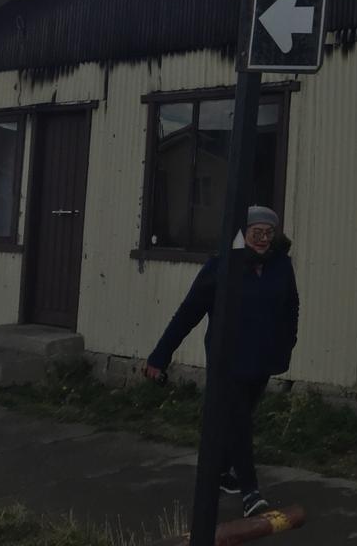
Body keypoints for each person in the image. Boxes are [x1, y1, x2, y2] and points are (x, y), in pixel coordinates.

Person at [144, 205, 300, 518]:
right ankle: (250, 491)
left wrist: (287, 343)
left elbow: (291, 307)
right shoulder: (222, 266)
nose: (263, 239)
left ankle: (225, 473)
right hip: (227, 358)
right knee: (239, 420)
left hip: (263, 358)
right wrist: (160, 357)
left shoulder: (281, 265)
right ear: (243, 234)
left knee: (241, 416)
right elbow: (188, 313)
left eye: (268, 234)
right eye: (256, 233)